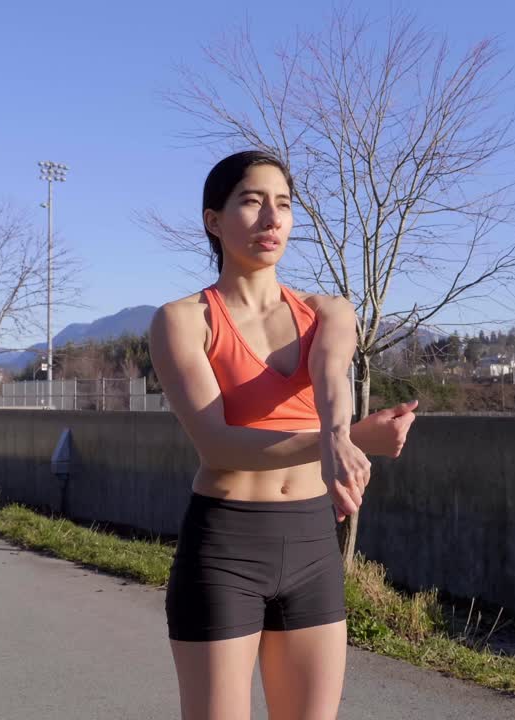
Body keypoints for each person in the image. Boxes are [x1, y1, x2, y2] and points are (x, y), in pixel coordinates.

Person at [149, 150, 419, 720]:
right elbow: (217, 445)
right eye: (251, 201)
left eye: (284, 205)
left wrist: (340, 434)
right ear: (213, 220)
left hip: (311, 546)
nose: (272, 218)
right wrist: (334, 443)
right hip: (224, 548)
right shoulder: (183, 320)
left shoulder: (328, 311)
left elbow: (329, 379)